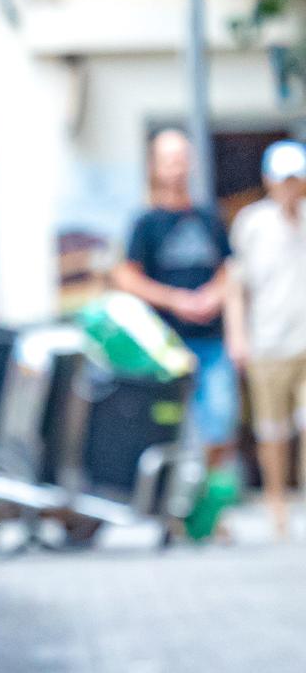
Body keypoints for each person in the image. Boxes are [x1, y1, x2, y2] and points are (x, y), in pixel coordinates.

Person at [111, 129, 238, 477]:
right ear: (155, 167)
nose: (177, 168)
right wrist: (175, 300)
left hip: (211, 341)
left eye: (182, 159)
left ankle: (210, 505)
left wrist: (213, 294)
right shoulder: (145, 223)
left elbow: (229, 269)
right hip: (166, 345)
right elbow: (126, 277)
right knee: (169, 431)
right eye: (169, 160)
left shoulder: (209, 217)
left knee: (220, 423)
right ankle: (174, 505)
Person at [224, 139, 306, 539]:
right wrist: (237, 336)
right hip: (268, 342)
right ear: (269, 180)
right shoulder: (252, 223)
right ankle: (276, 500)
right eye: (284, 179)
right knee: (272, 431)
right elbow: (237, 286)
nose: (291, 187)